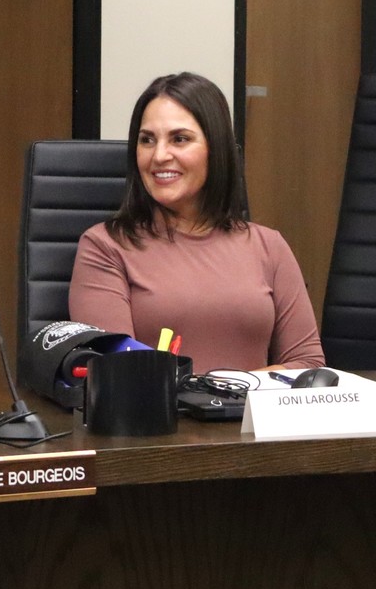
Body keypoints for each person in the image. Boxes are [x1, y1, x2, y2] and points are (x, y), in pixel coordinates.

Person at [68, 72, 324, 373]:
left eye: (180, 139)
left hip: (249, 420)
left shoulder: (269, 246)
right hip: (156, 420)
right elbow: (118, 375)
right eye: (147, 140)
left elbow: (308, 368)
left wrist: (222, 394)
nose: (160, 155)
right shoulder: (105, 246)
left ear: (215, 149)